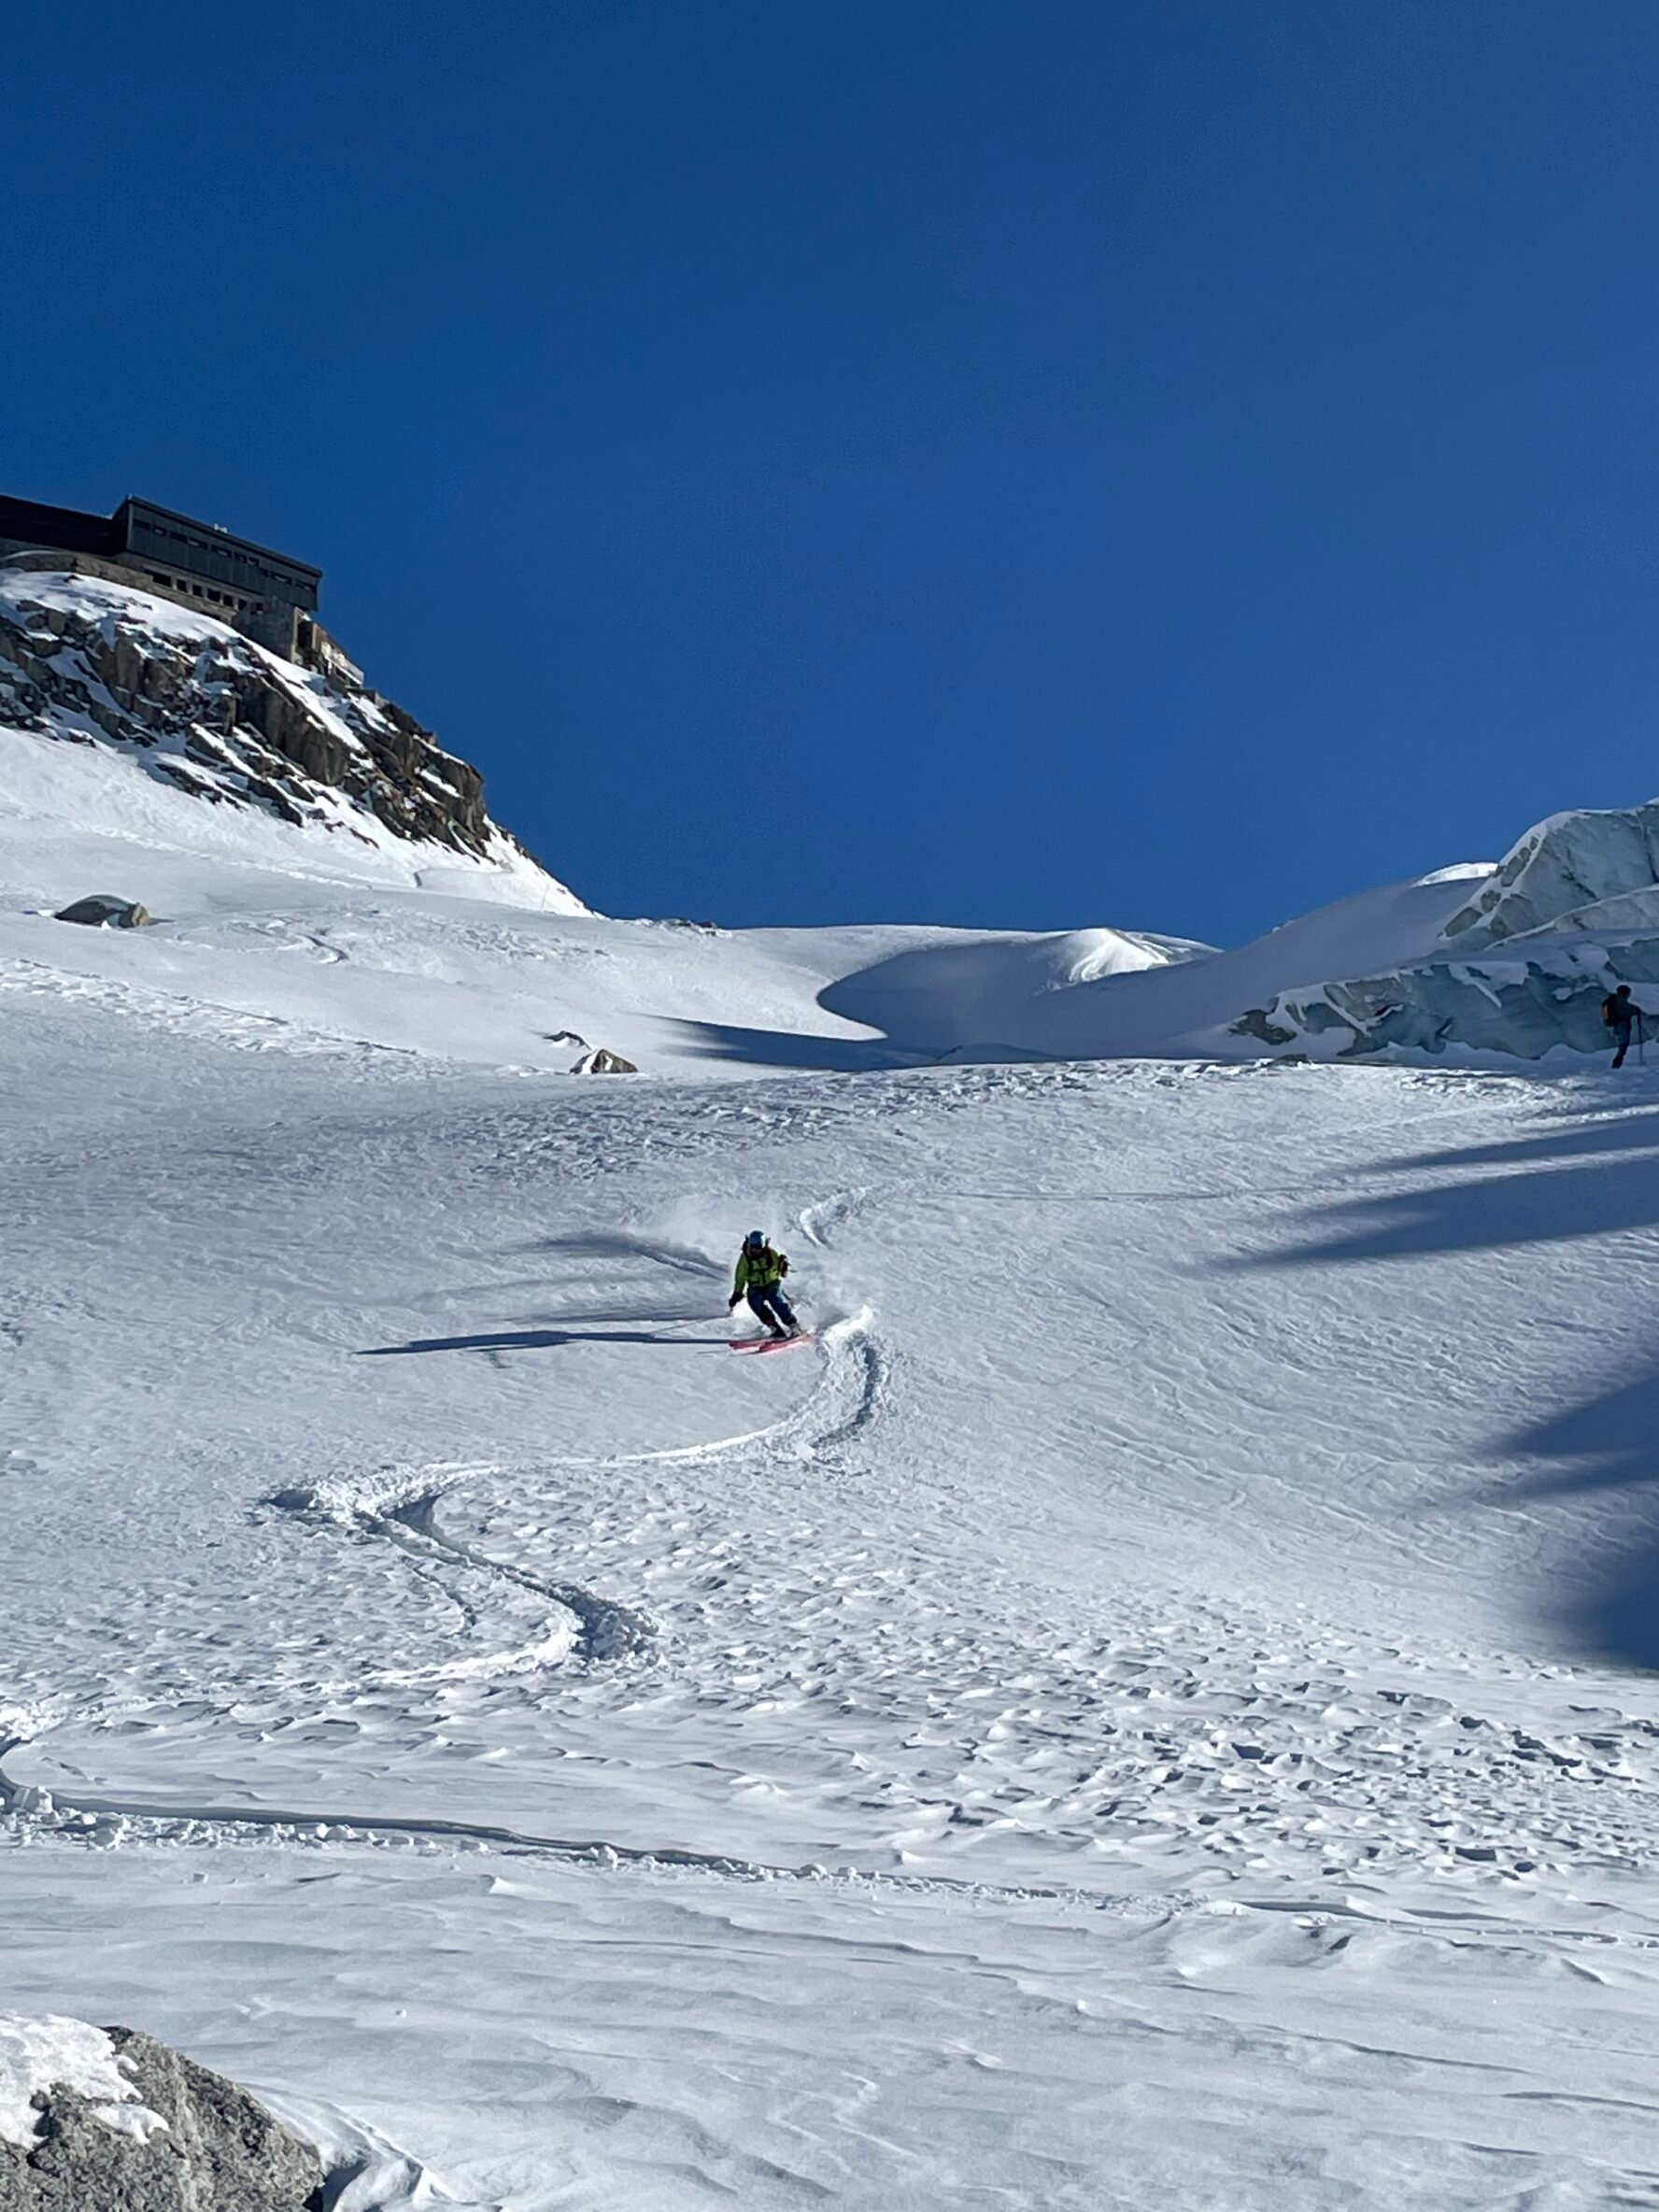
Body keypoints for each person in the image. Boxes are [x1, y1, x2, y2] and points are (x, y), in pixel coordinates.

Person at [728, 1229, 801, 1339]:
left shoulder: (771, 1254)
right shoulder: (745, 1259)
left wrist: (783, 1266)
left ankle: (793, 1324)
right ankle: (774, 1327)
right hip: (756, 1285)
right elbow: (740, 1277)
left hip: (772, 1282)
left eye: (758, 1247)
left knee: (775, 1299)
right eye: (753, 1246)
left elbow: (781, 1272)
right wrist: (737, 1293)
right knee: (754, 1301)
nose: (755, 1250)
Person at [1601, 984, 1650, 1069]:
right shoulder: (1620, 1000)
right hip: (1622, 1024)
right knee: (1623, 1043)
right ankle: (1617, 1062)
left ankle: (1618, 1061)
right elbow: (1626, 1010)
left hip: (1617, 1024)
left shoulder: (1613, 1000)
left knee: (1623, 1043)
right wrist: (1635, 1010)